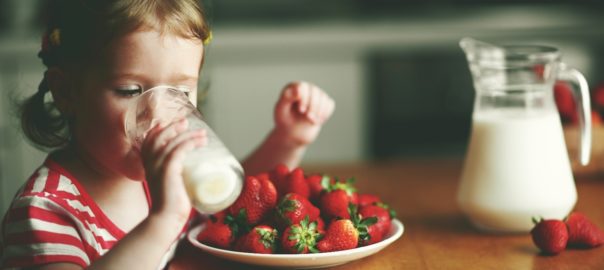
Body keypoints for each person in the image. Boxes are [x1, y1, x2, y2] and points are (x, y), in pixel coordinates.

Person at [0, 0, 335, 269]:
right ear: (67, 92)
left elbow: (236, 200)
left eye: (179, 92)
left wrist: (289, 138)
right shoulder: (44, 214)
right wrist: (163, 221)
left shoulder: (162, 176)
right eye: (131, 90)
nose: (158, 114)